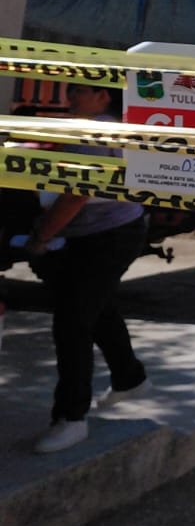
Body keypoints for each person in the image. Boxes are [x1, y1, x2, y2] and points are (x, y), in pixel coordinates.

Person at [24, 83, 150, 454]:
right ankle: (130, 378)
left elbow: (75, 194)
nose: (71, 98)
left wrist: (41, 238)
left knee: (72, 321)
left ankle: (71, 419)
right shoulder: (100, 126)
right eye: (71, 91)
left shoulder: (92, 134)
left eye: (81, 92)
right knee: (97, 306)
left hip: (107, 234)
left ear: (103, 97)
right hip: (108, 230)